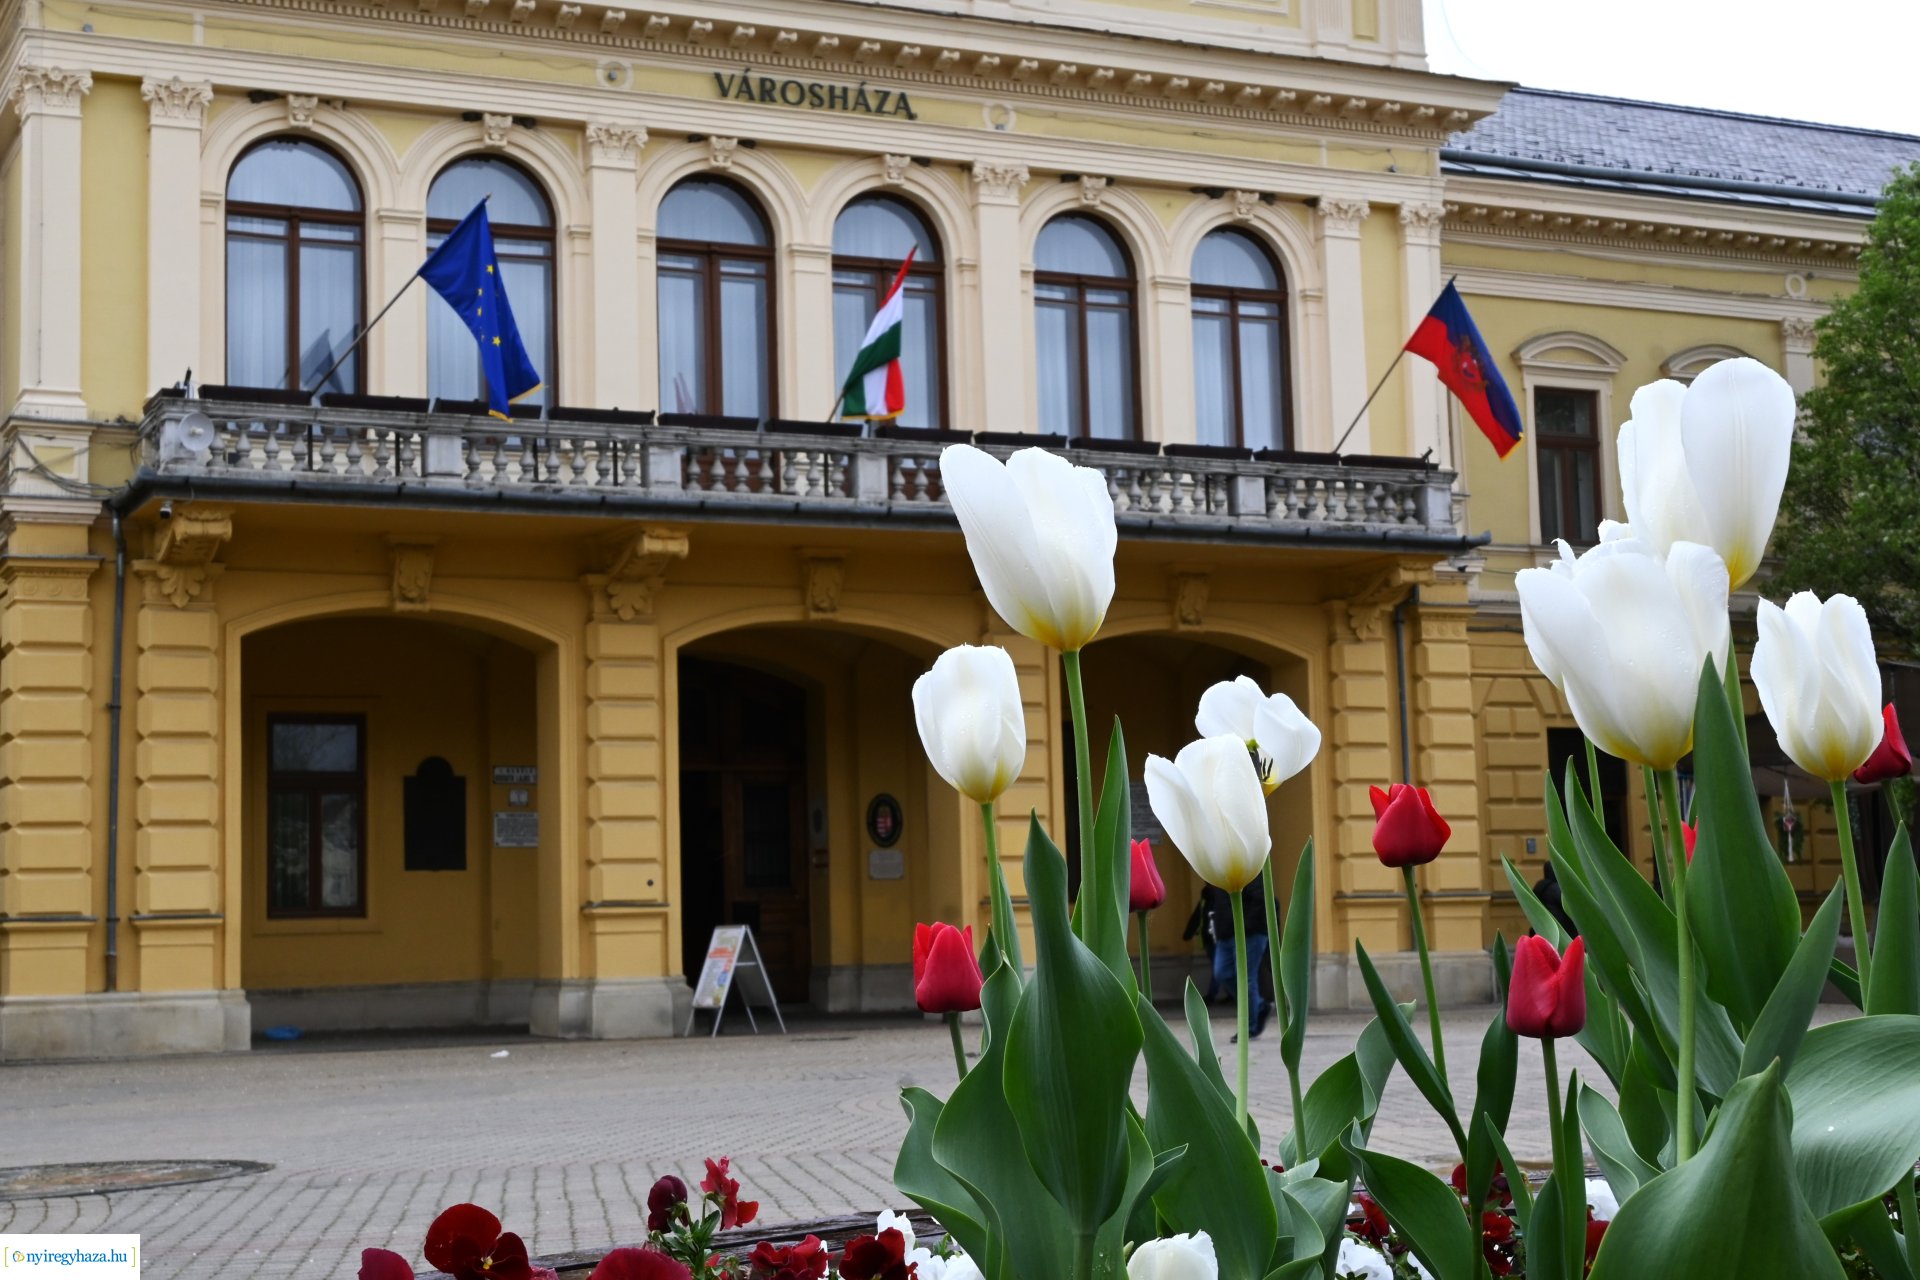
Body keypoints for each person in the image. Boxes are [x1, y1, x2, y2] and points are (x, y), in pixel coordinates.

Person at [1203, 876, 1270, 1038]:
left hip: (1248, 933)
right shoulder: (1218, 872)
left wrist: (1244, 926)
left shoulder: (1249, 869)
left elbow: (1259, 899)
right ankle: (1259, 1006)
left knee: (1246, 977)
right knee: (1222, 973)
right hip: (1225, 934)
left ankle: (1249, 1027)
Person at [1183, 893, 1220, 1002]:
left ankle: (1212, 994)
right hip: (1209, 940)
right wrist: (1188, 933)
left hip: (1220, 939)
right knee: (1217, 968)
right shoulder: (1205, 901)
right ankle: (1217, 994)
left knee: (1219, 968)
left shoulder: (1222, 898)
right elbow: (1196, 918)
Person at [1533, 862, 1578, 938]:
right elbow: (1569, 906)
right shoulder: (1556, 888)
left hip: (1544, 924)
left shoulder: (1539, 886)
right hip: (1560, 926)